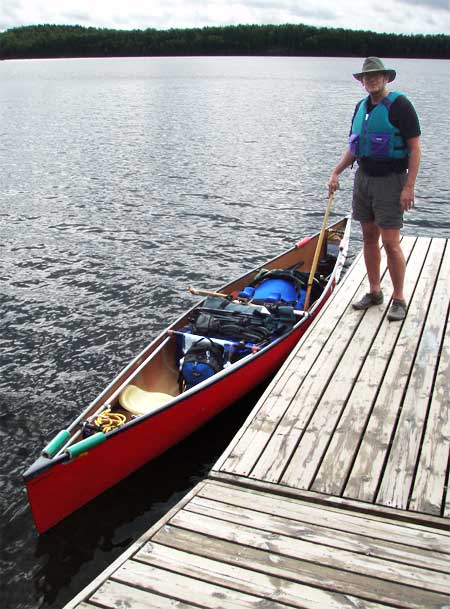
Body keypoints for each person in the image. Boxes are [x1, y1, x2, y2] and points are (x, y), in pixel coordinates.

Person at [328, 57, 421, 321]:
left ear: (386, 78)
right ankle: (374, 291)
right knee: (369, 237)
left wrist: (409, 186)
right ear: (362, 81)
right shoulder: (360, 107)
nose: (371, 80)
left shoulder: (400, 106)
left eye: (376, 76)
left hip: (391, 180)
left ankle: (399, 298)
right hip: (363, 179)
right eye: (367, 77)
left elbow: (415, 148)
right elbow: (354, 147)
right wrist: (336, 171)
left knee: (391, 243)